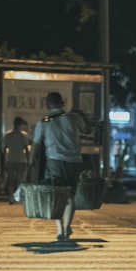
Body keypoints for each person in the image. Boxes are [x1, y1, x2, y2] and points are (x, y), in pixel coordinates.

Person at [29, 92, 88, 241]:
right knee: (70, 195)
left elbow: (36, 144)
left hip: (54, 161)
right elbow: (86, 129)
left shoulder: (43, 122)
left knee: (57, 194)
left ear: (47, 104)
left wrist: (31, 161)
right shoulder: (74, 118)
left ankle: (60, 228)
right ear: (62, 103)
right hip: (74, 161)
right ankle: (68, 226)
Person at [2, 116, 30, 204]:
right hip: (21, 159)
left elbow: (4, 148)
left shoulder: (8, 135)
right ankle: (18, 197)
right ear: (20, 125)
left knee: (11, 180)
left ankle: (11, 197)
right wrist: (29, 159)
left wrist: (3, 161)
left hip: (10, 159)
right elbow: (26, 149)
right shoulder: (23, 136)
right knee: (20, 180)